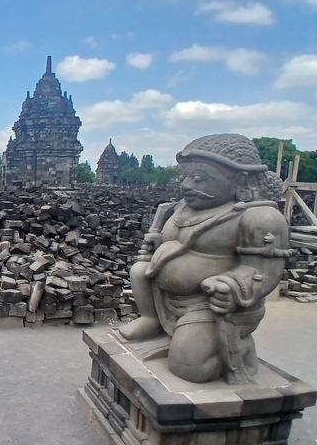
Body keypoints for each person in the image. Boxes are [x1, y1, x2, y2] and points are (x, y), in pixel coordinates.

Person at [118, 134, 291, 384]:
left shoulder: (259, 218)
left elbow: (262, 271)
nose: (187, 185)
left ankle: (242, 351)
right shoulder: (184, 206)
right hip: (167, 297)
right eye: (184, 177)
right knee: (139, 270)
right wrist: (160, 245)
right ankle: (152, 319)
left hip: (212, 305)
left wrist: (232, 285)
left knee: (188, 366)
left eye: (199, 178)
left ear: (240, 180)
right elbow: (178, 240)